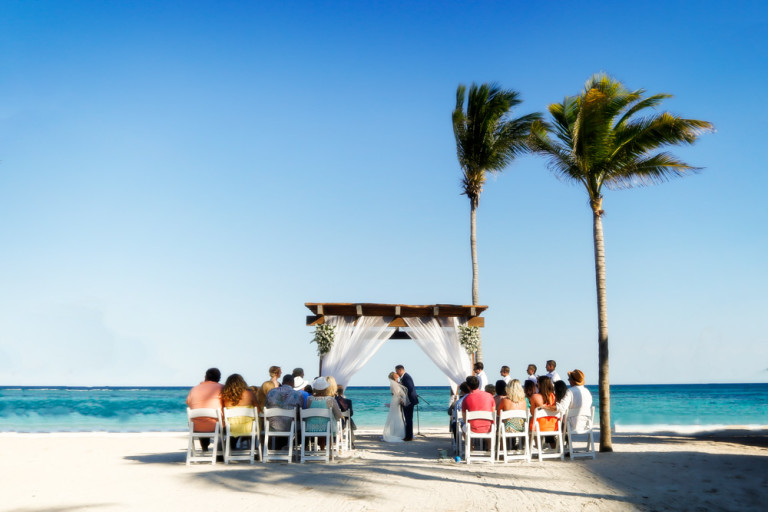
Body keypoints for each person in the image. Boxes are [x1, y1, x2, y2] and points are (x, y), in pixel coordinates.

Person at [186, 368, 223, 452]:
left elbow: (189, 403)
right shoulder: (222, 388)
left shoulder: (194, 389)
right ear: (219, 378)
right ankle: (225, 448)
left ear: (205, 377)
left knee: (201, 419)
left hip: (195, 427)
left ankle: (205, 446)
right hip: (216, 426)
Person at [220, 373, 258, 447]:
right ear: (242, 382)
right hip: (249, 427)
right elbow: (257, 410)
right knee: (257, 422)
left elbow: (223, 412)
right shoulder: (249, 393)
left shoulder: (225, 396)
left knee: (236, 427)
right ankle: (254, 448)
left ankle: (230, 447)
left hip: (231, 427)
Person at [304, 377, 342, 448]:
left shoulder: (309, 399)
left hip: (310, 428)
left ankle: (322, 448)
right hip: (327, 428)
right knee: (328, 422)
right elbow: (338, 415)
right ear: (326, 388)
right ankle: (328, 449)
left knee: (321, 421)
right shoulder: (330, 400)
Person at [461, 376, 495, 448]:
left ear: (468, 387)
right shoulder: (489, 396)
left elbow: (465, 419)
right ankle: (490, 448)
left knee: (463, 429)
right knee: (488, 424)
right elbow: (493, 412)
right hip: (489, 428)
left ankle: (471, 449)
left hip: (473, 428)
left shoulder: (466, 399)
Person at [383, 372, 409, 442]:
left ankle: (396, 432)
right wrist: (401, 399)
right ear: (394, 376)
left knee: (398, 415)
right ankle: (396, 433)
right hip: (396, 400)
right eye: (395, 374)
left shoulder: (396, 383)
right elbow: (396, 393)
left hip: (396, 400)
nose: (397, 374)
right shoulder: (393, 384)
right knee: (396, 416)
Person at [395, 364, 418, 441]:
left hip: (409, 401)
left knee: (408, 419)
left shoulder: (406, 377)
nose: (396, 373)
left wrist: (404, 398)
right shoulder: (404, 377)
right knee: (408, 419)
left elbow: (410, 389)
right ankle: (408, 435)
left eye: (397, 371)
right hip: (408, 401)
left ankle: (409, 436)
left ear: (400, 370)